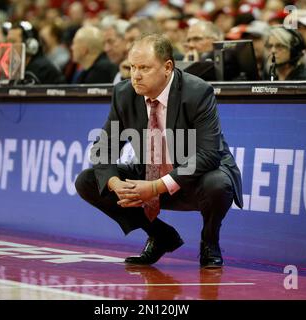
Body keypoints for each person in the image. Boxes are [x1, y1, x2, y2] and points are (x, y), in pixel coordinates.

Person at [75, 34, 243, 268]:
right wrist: (115, 183)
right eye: (133, 67)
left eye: (144, 67)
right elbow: (102, 149)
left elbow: (208, 155)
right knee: (88, 180)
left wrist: (155, 187)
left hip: (194, 177)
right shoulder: (124, 94)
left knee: (218, 183)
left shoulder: (197, 92)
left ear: (167, 67)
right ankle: (160, 235)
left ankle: (209, 240)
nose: (136, 75)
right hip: (150, 171)